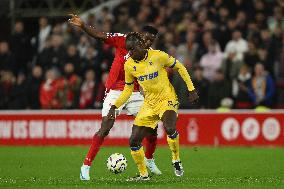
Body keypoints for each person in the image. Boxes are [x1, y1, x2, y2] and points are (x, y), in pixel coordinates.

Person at [68, 14, 161, 180]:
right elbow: (100, 35)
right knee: (105, 127)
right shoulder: (123, 40)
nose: (148, 43)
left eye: (151, 41)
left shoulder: (151, 55)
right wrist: (83, 26)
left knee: (153, 127)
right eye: (146, 39)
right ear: (140, 35)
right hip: (115, 90)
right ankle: (86, 167)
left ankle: (149, 159)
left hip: (134, 92)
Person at [107, 32, 199, 181]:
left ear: (141, 45)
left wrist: (191, 89)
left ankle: (176, 160)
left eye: (132, 49)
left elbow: (180, 67)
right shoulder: (129, 65)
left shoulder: (158, 56)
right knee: (134, 141)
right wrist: (114, 106)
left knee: (169, 128)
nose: (130, 53)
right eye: (128, 50)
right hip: (149, 103)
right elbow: (128, 89)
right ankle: (144, 175)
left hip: (166, 99)